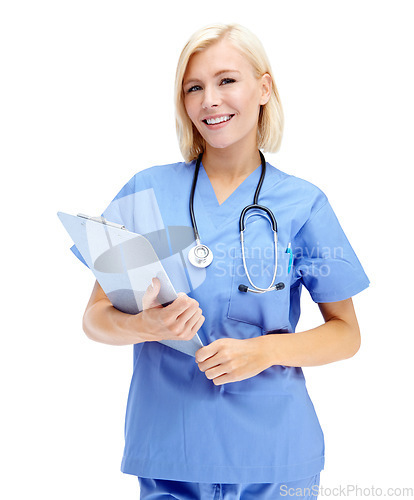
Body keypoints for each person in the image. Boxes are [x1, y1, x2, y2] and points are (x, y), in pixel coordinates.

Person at [77, 23, 369, 499]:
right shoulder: (145, 193)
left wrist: (264, 352)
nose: (209, 99)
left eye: (226, 80)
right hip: (171, 451)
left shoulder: (302, 203)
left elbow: (347, 333)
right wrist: (147, 325)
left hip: (274, 457)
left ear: (264, 88)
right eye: (194, 87)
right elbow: (94, 319)